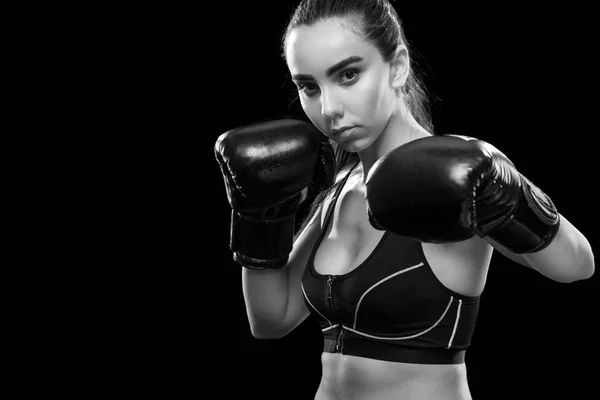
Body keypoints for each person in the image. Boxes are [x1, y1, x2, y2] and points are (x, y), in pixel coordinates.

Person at [214, 0, 595, 399]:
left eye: (348, 74)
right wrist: (258, 217)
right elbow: (272, 319)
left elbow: (577, 266)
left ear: (397, 66)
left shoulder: (457, 172)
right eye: (309, 86)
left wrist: (507, 193)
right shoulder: (340, 186)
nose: (328, 109)